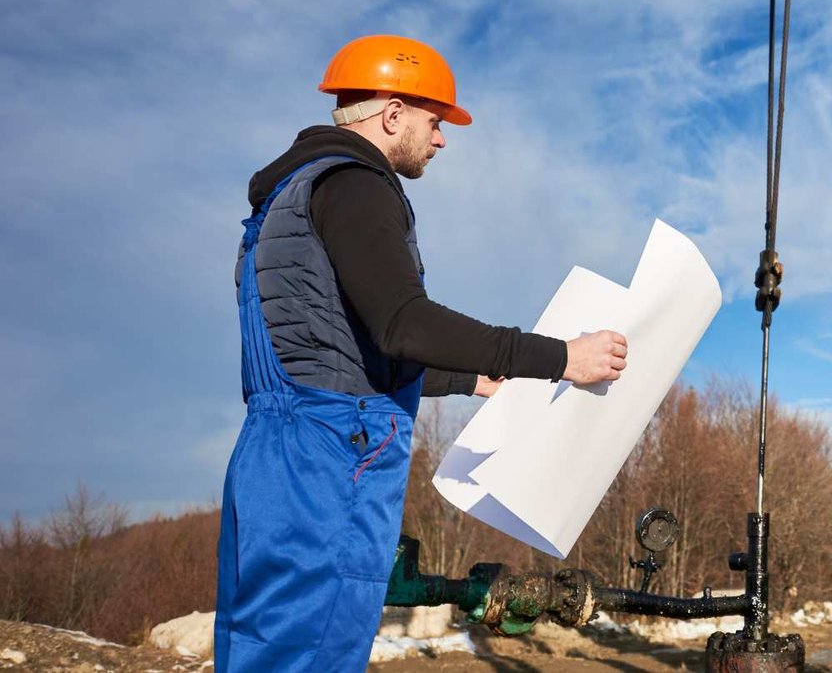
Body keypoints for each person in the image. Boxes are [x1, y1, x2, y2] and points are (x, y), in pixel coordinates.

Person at [213, 34, 627, 671]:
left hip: (273, 456)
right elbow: (403, 323)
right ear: (392, 112)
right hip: (331, 458)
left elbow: (343, 348)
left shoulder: (284, 202)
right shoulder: (356, 185)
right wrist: (560, 357)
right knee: (313, 655)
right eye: (435, 122)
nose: (441, 140)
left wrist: (471, 378)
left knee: (266, 650)